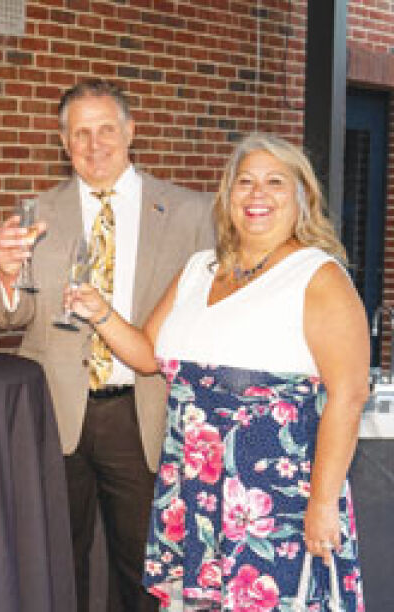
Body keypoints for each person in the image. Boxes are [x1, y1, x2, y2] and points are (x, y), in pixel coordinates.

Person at [66, 133, 367, 610]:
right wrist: (98, 311)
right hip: (195, 494)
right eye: (244, 182)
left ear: (302, 197)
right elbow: (148, 355)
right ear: (227, 196)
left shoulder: (318, 276)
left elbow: (349, 396)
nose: (257, 194)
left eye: (275, 182)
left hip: (274, 505)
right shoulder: (200, 268)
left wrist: (323, 505)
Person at [0, 79, 214, 611]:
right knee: (57, 561)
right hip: (56, 414)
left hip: (142, 409)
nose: (94, 144)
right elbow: (9, 315)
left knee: (143, 567)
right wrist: (5, 274)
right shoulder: (35, 211)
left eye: (106, 129)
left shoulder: (189, 212)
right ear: (64, 143)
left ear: (131, 131)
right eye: (80, 133)